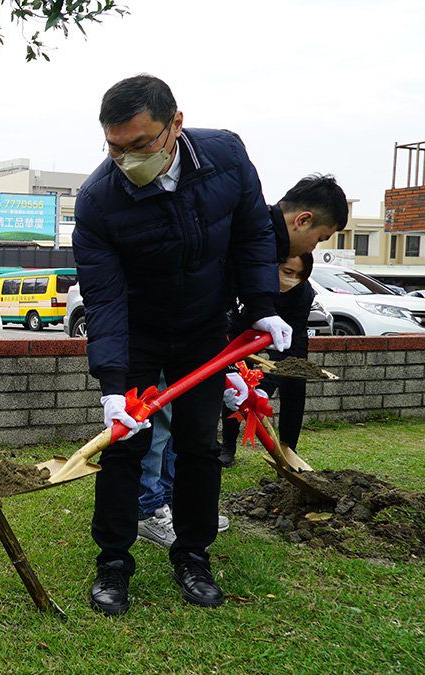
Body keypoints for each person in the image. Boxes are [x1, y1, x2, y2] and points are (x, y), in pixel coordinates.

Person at [73, 74, 291, 616]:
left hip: (202, 331)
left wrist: (262, 303)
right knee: (126, 446)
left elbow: (252, 234)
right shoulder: (98, 200)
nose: (126, 159)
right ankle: (114, 564)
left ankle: (192, 555)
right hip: (141, 335)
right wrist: (114, 385)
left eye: (140, 145)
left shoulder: (226, 156)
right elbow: (103, 298)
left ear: (176, 125)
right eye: (114, 147)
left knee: (199, 445)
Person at [136, 175, 348, 547]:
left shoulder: (262, 241)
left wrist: (229, 371)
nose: (316, 245)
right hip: (166, 332)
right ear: (303, 220)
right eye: (321, 236)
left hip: (194, 337)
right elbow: (210, 298)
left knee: (173, 428)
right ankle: (148, 509)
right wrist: (226, 367)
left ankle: (169, 502)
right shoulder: (251, 234)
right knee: (158, 425)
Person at [218, 175, 348, 464]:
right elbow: (226, 329)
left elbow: (292, 350)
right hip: (238, 337)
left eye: (296, 276)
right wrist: (235, 371)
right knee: (236, 384)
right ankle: (228, 444)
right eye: (284, 272)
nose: (288, 280)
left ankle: (289, 450)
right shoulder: (252, 265)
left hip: (281, 342)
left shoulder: (301, 296)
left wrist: (266, 387)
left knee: (294, 379)